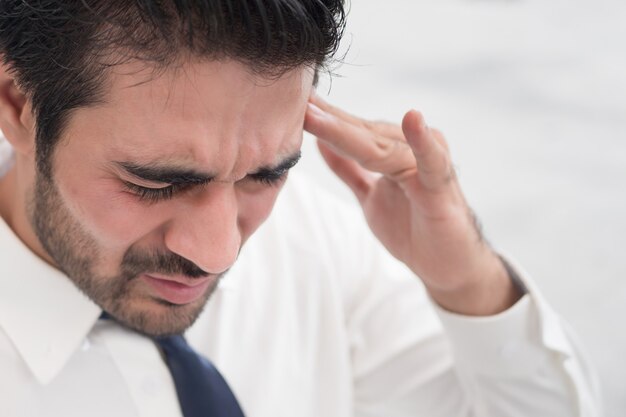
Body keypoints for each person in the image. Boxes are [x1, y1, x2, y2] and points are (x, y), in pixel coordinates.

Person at [0, 1, 600, 416]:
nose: (220, 251)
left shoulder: (317, 243)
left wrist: (467, 280)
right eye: (155, 183)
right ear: (17, 104)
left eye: (267, 174)